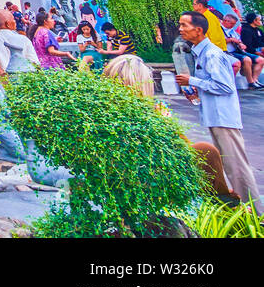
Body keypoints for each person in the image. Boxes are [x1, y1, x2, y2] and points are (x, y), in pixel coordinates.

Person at [104, 54, 235, 202]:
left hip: (146, 180)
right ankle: (226, 205)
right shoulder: (140, 116)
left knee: (205, 153)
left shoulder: (100, 113)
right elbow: (178, 152)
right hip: (153, 182)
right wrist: (166, 125)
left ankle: (226, 201)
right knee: (206, 151)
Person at [176, 11, 262, 211]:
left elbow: (225, 86)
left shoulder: (212, 54)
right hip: (216, 117)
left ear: (198, 30)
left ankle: (256, 216)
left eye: (184, 25)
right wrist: (196, 89)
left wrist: (193, 81)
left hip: (224, 118)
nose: (180, 29)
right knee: (231, 167)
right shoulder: (202, 52)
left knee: (237, 169)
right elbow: (213, 83)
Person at [0, 9, 40, 76]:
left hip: (4, 83)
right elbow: (35, 63)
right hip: (26, 80)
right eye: (13, 19)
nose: (15, 22)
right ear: (7, 23)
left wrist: (5, 79)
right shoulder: (23, 39)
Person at [223, 12, 264, 87]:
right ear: (225, 21)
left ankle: (255, 80)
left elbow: (239, 40)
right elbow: (217, 41)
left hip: (238, 50)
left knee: (260, 60)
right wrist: (231, 40)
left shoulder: (258, 30)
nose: (233, 26)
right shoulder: (219, 29)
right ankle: (250, 82)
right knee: (246, 59)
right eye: (231, 23)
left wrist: (240, 44)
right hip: (227, 51)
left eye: (234, 24)